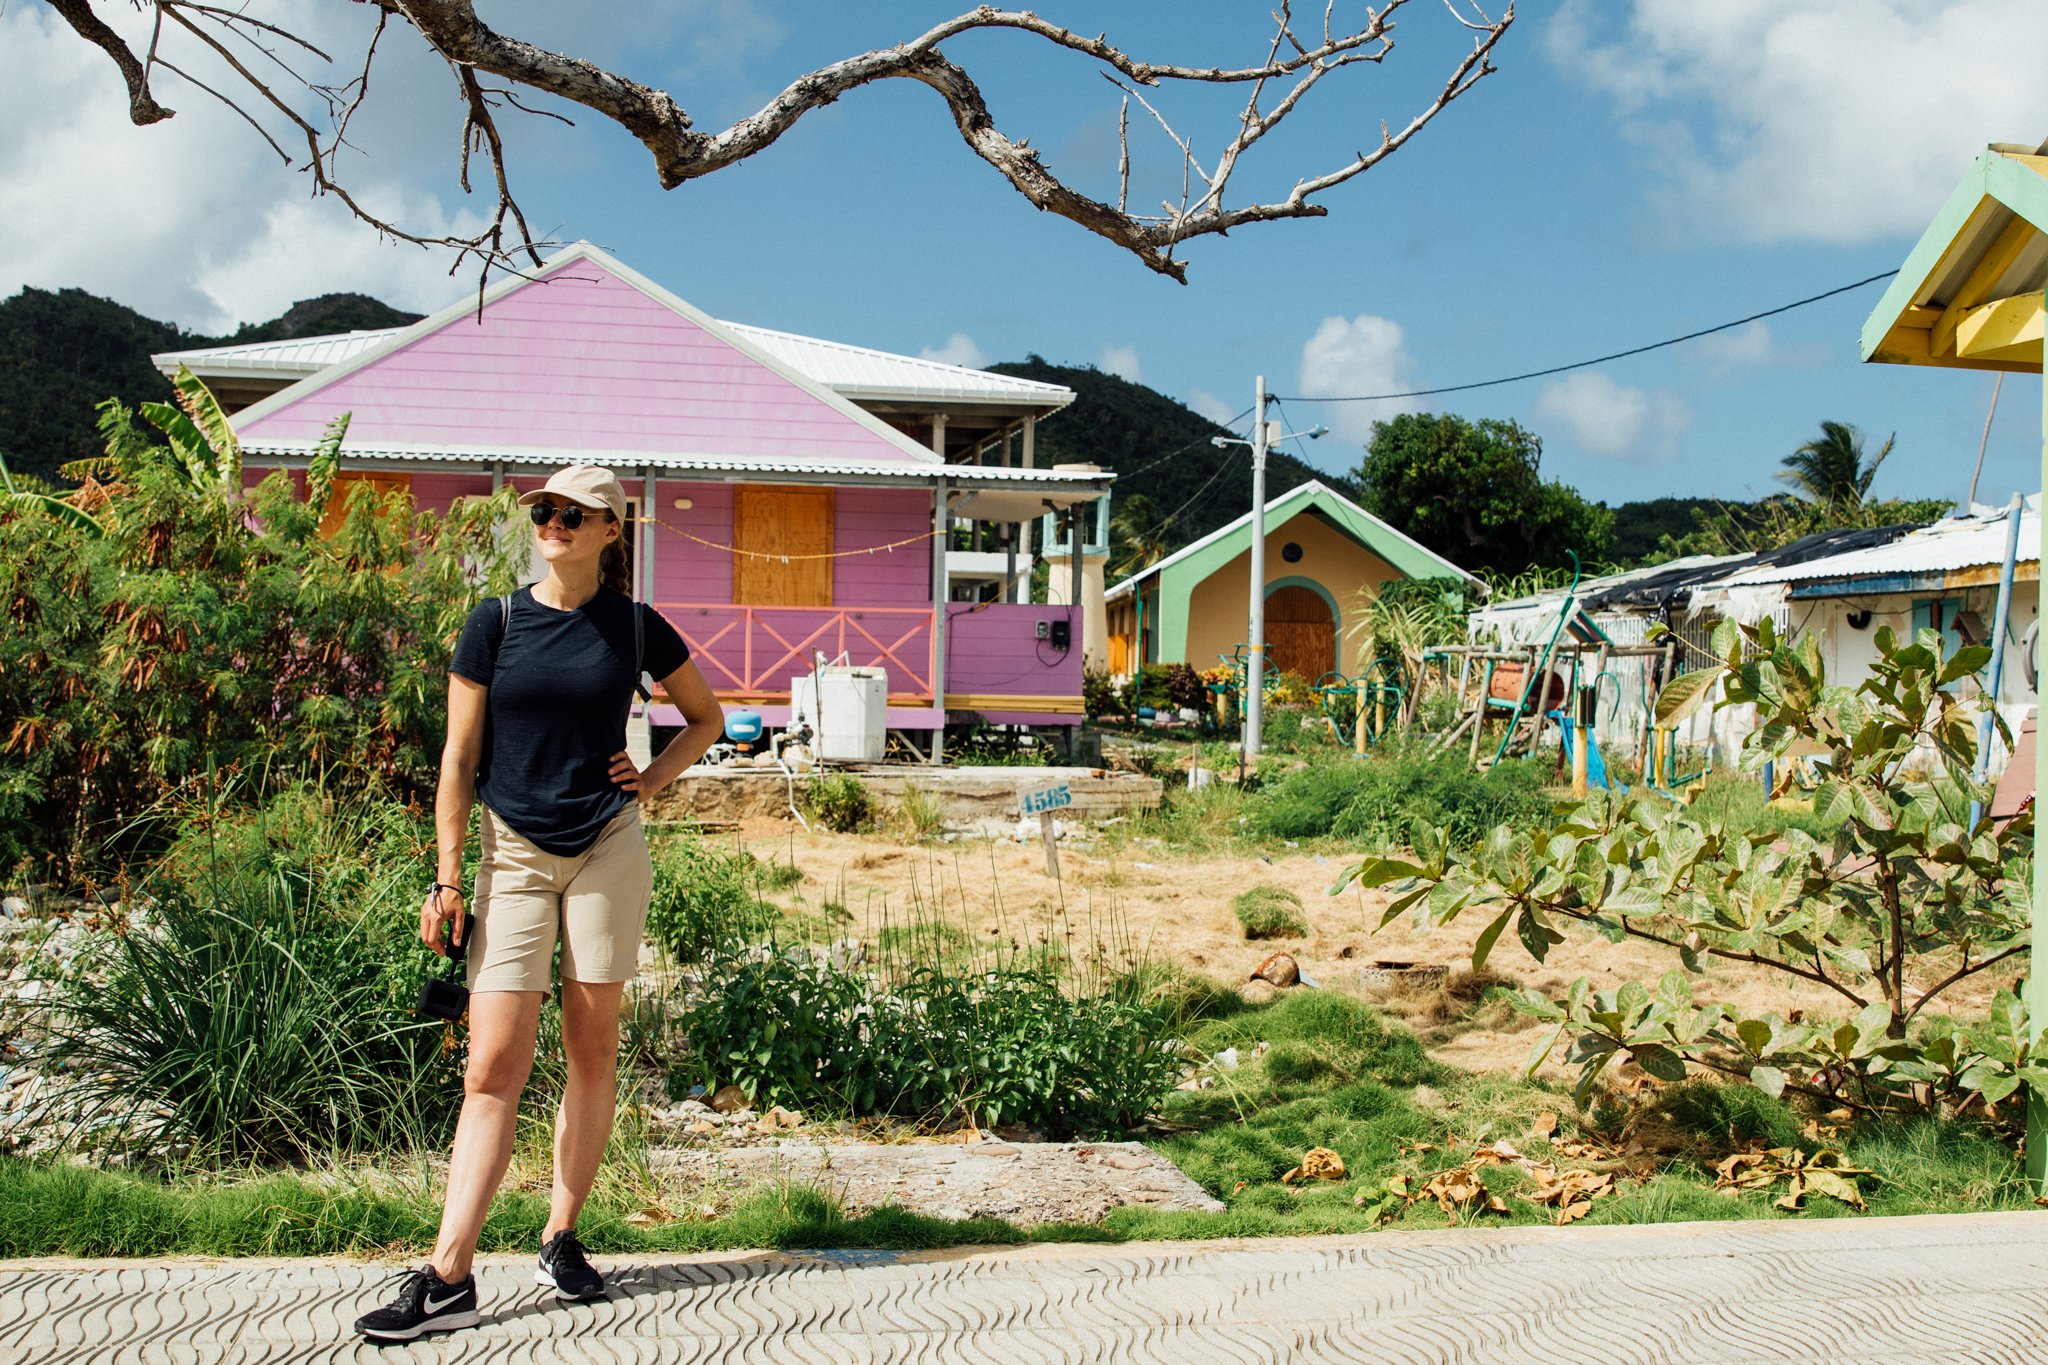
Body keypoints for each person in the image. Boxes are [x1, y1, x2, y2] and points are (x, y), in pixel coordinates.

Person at [355, 464, 723, 1343]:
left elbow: (706, 717)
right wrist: (447, 876)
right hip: (509, 851)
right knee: (492, 1064)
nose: (551, 522)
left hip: (606, 846)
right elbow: (456, 757)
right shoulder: (498, 620)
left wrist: (652, 778)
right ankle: (449, 1275)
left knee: (593, 1047)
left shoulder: (634, 626)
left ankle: (560, 1234)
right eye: (544, 511)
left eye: (572, 514)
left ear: (610, 530)